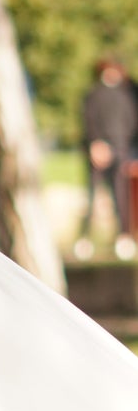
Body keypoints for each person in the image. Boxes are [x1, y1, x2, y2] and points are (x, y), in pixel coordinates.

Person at [76, 56, 138, 262]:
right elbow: (88, 120)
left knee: (120, 195)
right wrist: (96, 143)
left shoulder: (124, 95)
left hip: (119, 147)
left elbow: (131, 122)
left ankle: (123, 236)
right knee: (93, 194)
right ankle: (86, 238)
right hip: (103, 148)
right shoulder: (95, 95)